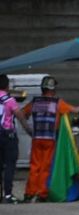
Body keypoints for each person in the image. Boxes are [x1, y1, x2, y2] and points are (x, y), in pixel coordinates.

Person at [21, 76, 79, 202]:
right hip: (50, 139)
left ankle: (29, 194)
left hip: (36, 139)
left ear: (42, 89)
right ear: (53, 90)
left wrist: (28, 129)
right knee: (45, 167)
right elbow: (75, 110)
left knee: (34, 167)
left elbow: (22, 114)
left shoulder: (34, 102)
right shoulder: (58, 103)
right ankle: (42, 194)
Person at [0, 74, 32, 204]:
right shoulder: (9, 100)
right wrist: (30, 132)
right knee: (10, 166)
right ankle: (8, 195)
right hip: (8, 136)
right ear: (7, 86)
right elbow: (21, 117)